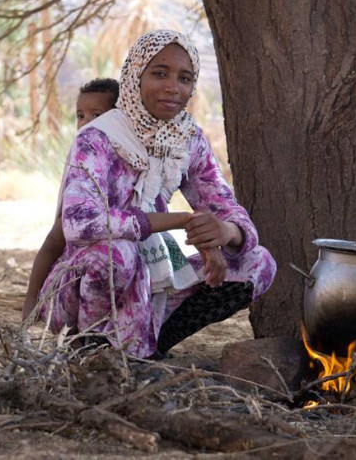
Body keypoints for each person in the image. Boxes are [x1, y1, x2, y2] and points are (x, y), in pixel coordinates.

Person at [29, 30, 276, 359]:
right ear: (135, 76)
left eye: (185, 78)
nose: (173, 87)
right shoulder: (97, 137)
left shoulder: (188, 138)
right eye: (160, 73)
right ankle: (93, 352)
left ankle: (148, 345)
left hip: (155, 275)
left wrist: (223, 232)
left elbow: (227, 208)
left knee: (258, 262)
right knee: (117, 255)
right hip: (81, 291)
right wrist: (185, 220)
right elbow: (80, 224)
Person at [22, 78, 119, 321]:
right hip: (74, 286)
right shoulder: (82, 171)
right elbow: (53, 242)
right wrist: (30, 300)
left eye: (97, 115)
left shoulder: (132, 167)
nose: (85, 123)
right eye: (80, 115)